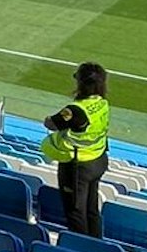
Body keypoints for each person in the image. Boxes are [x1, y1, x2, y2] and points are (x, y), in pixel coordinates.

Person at [42, 61, 111, 236]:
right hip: (98, 159)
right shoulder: (102, 103)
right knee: (91, 209)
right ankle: (96, 244)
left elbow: (52, 123)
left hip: (78, 166)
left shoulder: (75, 110)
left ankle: (82, 250)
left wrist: (48, 119)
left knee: (75, 211)